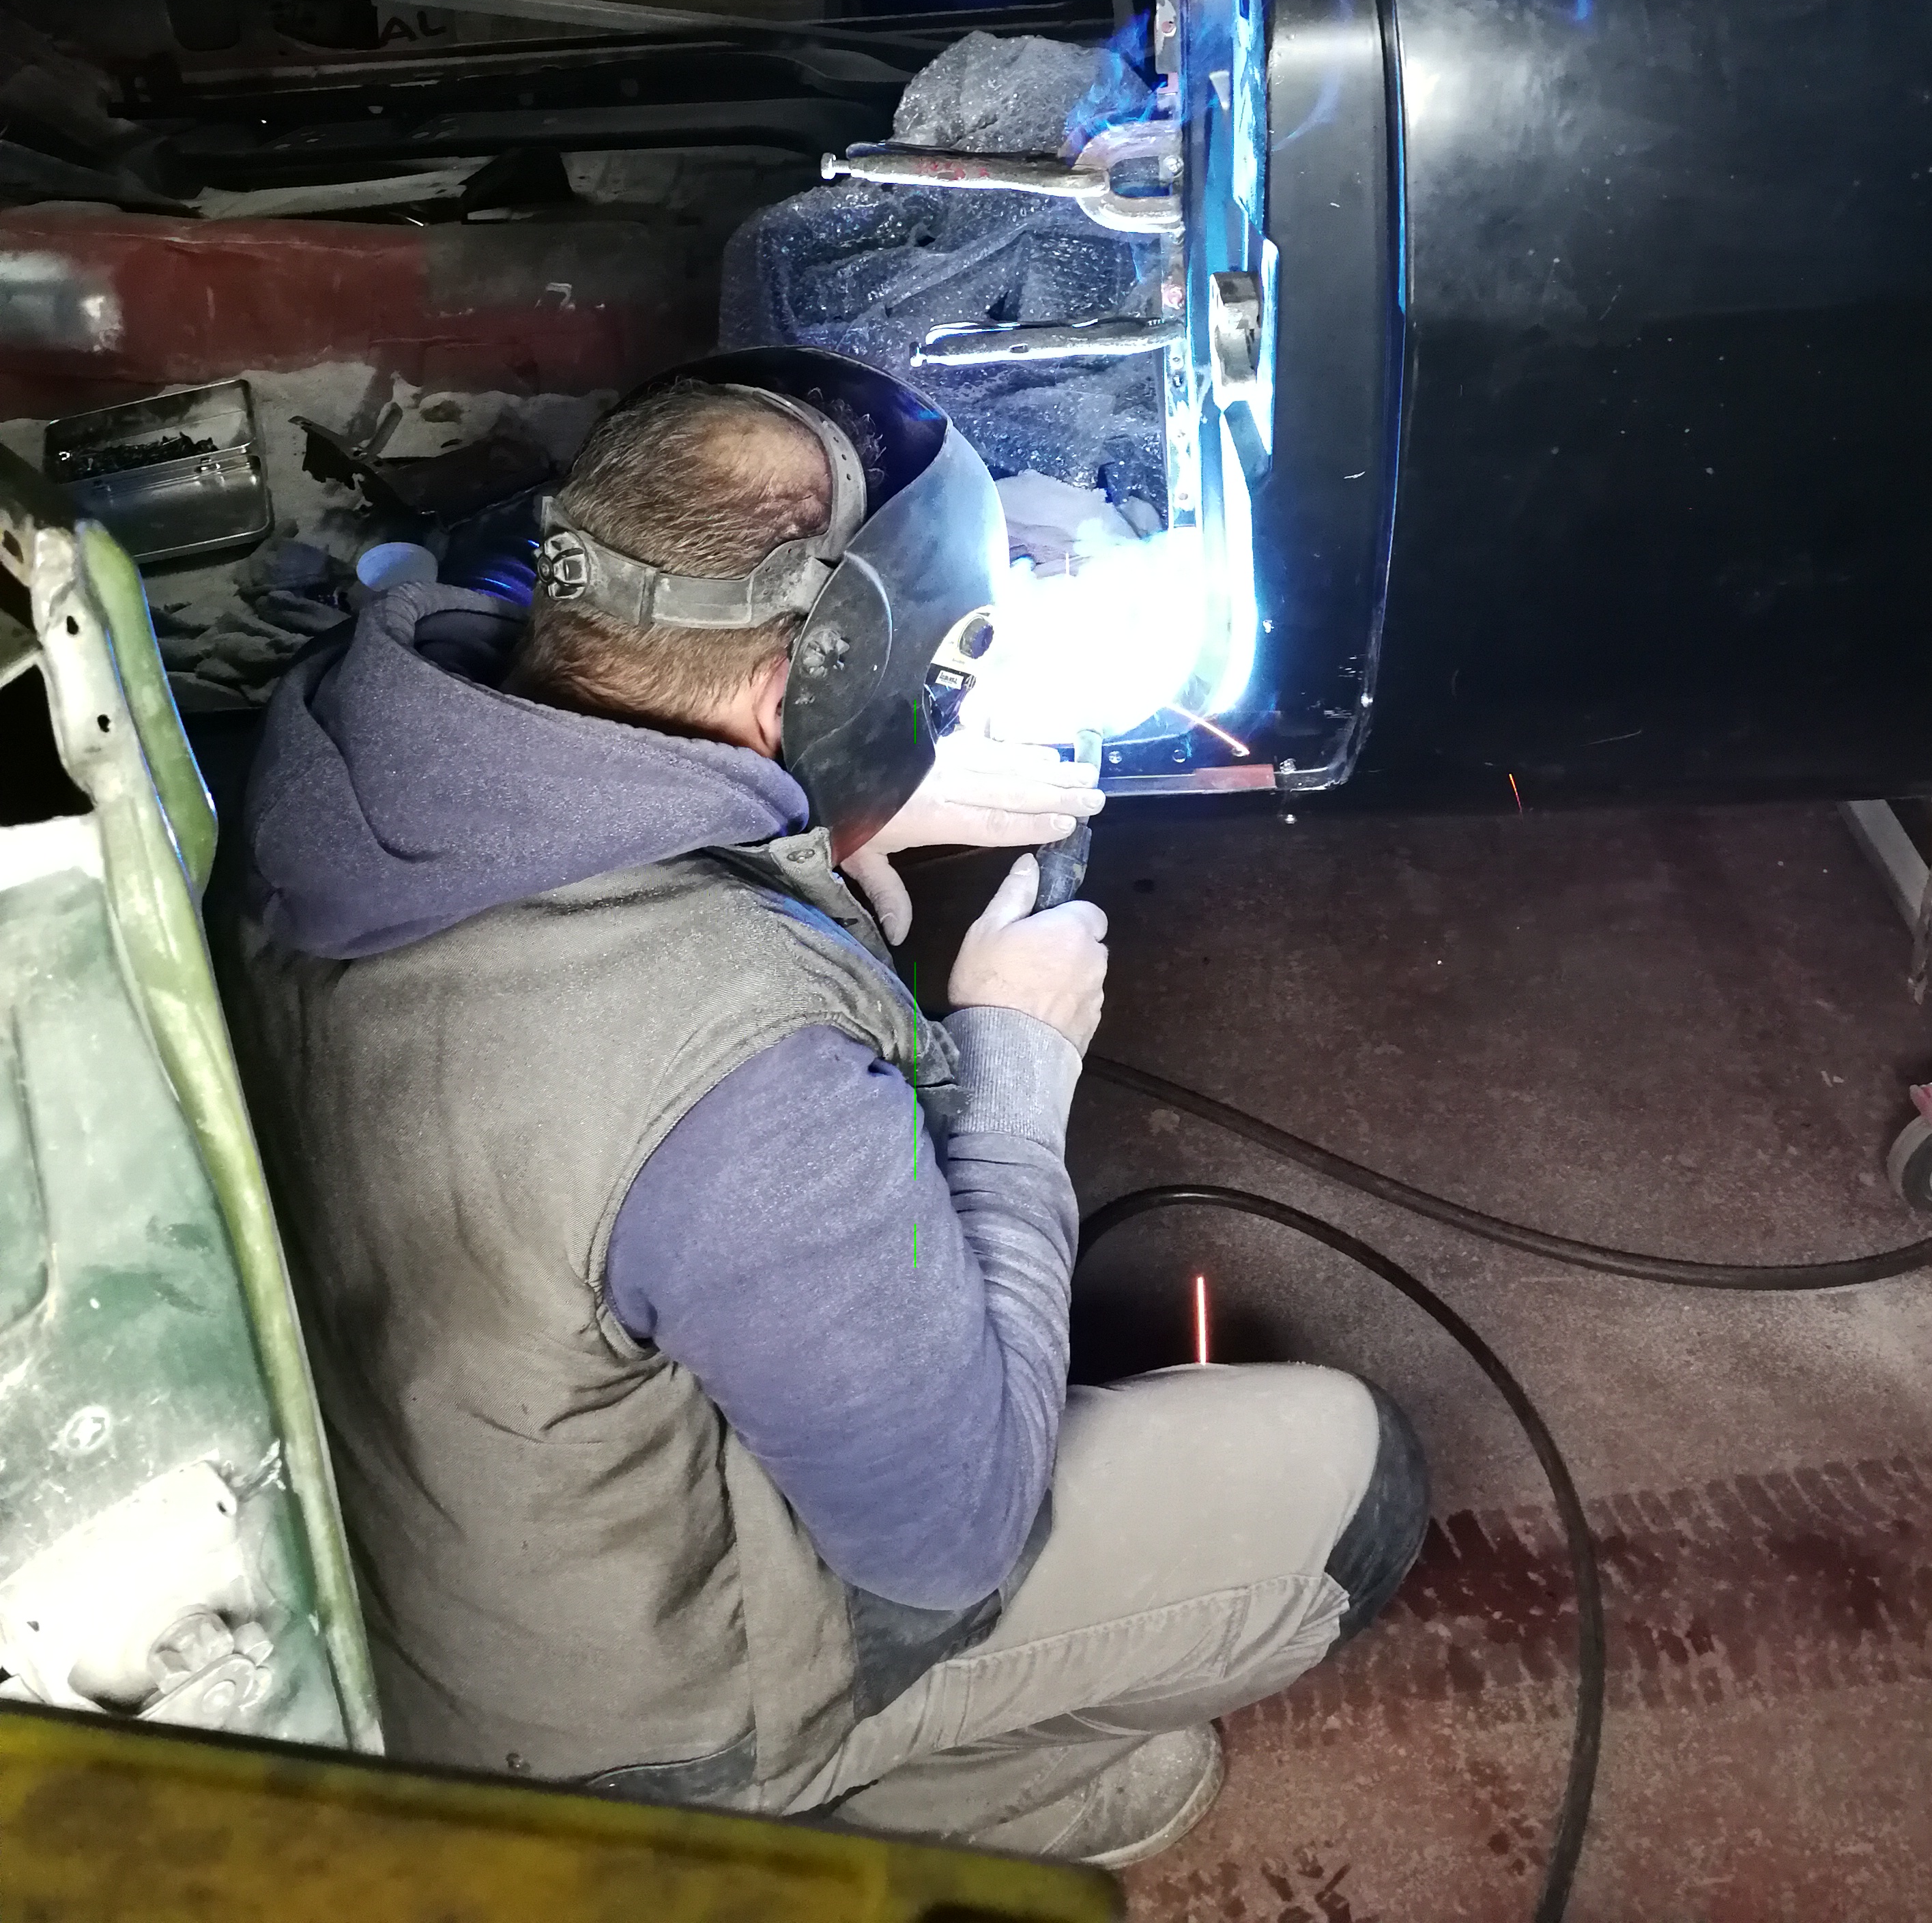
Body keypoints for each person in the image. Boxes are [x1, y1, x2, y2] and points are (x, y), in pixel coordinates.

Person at [221, 356, 1428, 1867]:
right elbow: (953, 1534)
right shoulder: (737, 1071)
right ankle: (918, 1804)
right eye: (941, 668)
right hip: (617, 1736)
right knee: (1350, 1489)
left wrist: (821, 820)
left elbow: (605, 902)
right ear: (813, 679)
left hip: (427, 1568)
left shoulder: (346, 746)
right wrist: (1015, 1063)